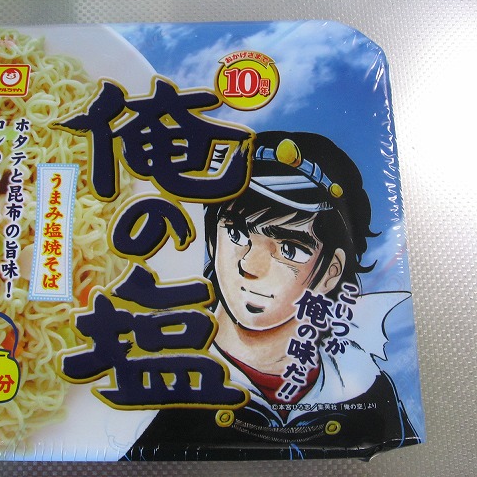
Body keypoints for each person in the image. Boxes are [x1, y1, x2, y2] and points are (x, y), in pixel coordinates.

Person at [125, 131, 420, 460]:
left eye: (290, 249)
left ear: (330, 272)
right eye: (236, 232)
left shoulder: (365, 388)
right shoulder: (158, 371)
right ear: (211, 241)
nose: (250, 265)